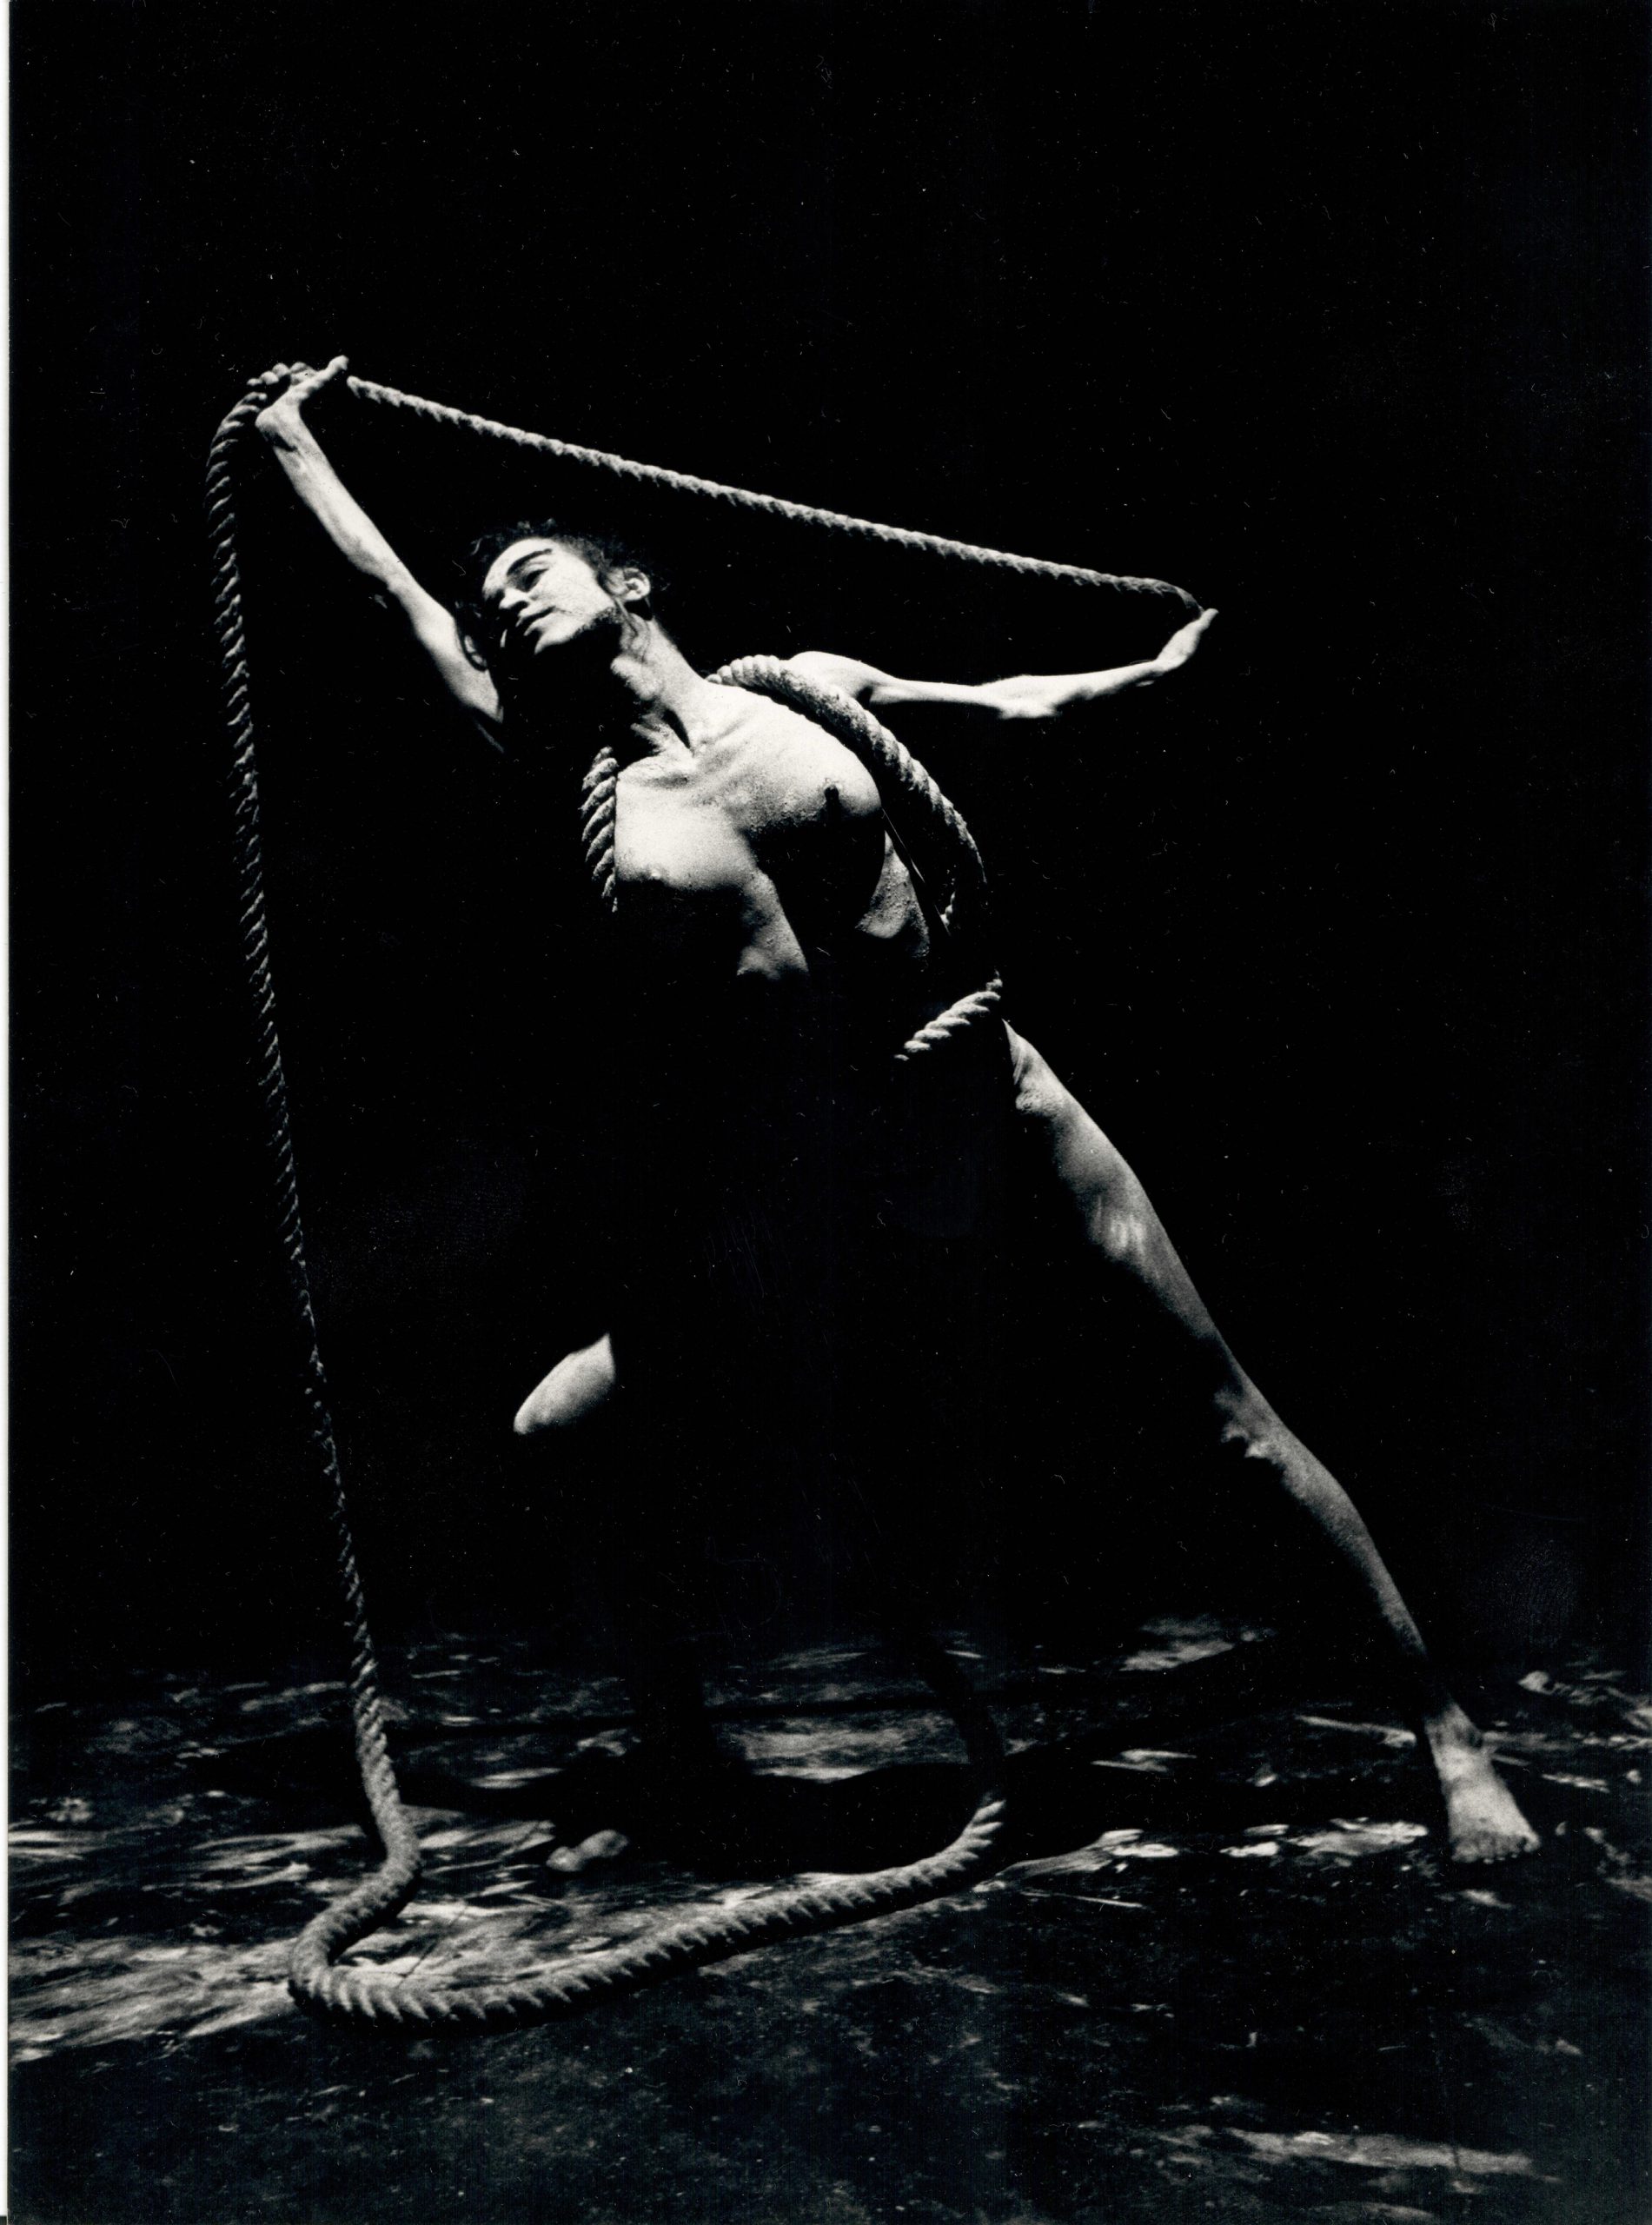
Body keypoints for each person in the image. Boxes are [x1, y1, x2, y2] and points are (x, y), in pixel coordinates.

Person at [252, 355, 1540, 1864]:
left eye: (530, 574)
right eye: (493, 607)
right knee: (561, 1430)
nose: (502, 607)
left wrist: (1154, 675)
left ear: (630, 583)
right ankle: (679, 1753)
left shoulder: (801, 691)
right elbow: (394, 602)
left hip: (982, 1101)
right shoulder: (570, 777)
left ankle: (1447, 1737)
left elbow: (1016, 707)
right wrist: (290, 444)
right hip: (804, 1178)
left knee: (1231, 1428)